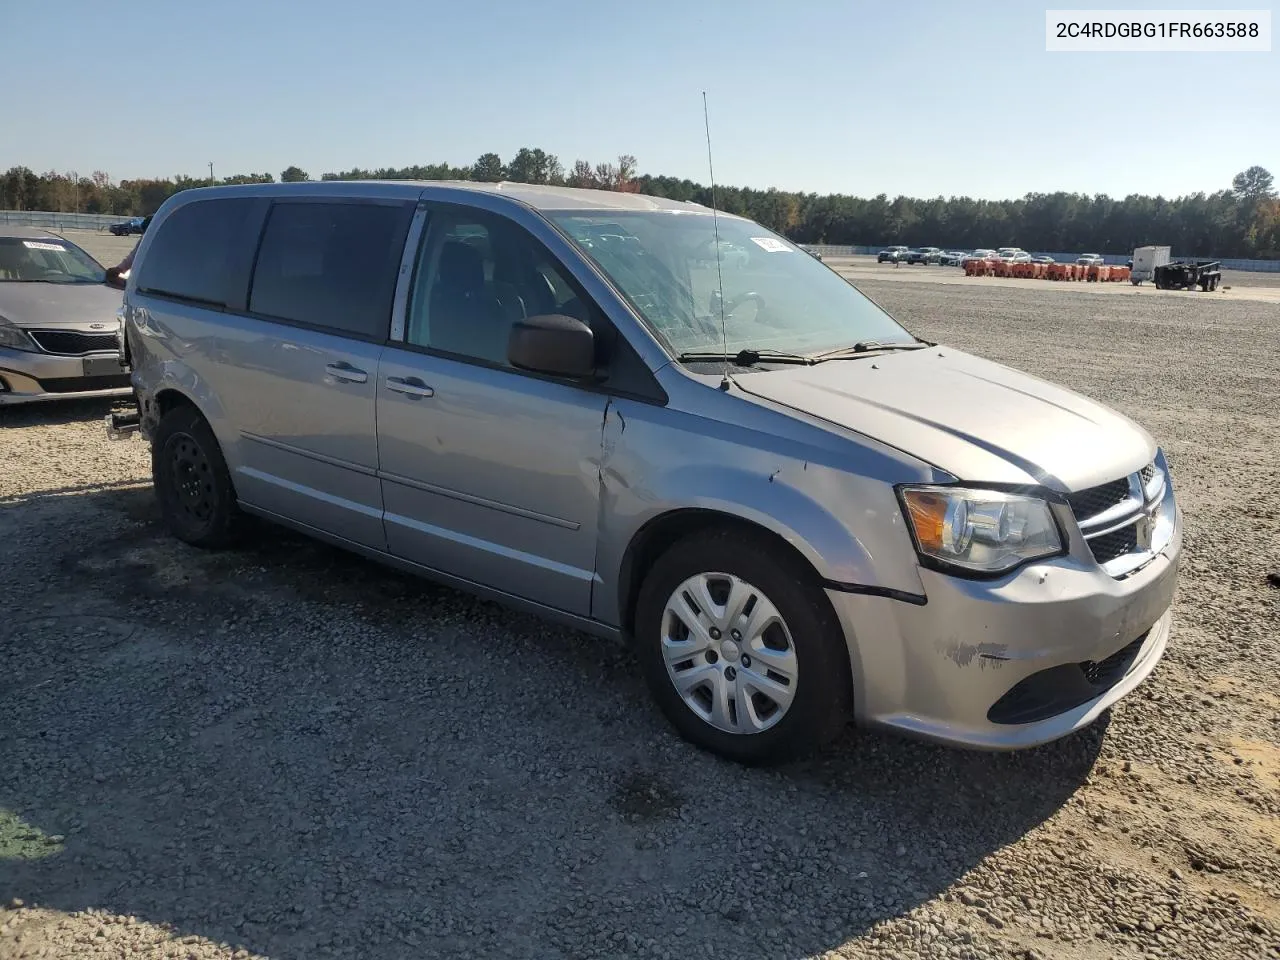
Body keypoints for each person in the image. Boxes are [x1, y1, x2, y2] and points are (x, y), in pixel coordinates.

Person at [104, 214, 152, 287]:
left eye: (146, 232)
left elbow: (134, 256)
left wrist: (120, 269)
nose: (144, 235)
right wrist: (119, 269)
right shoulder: (146, 240)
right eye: (144, 233)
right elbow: (135, 256)